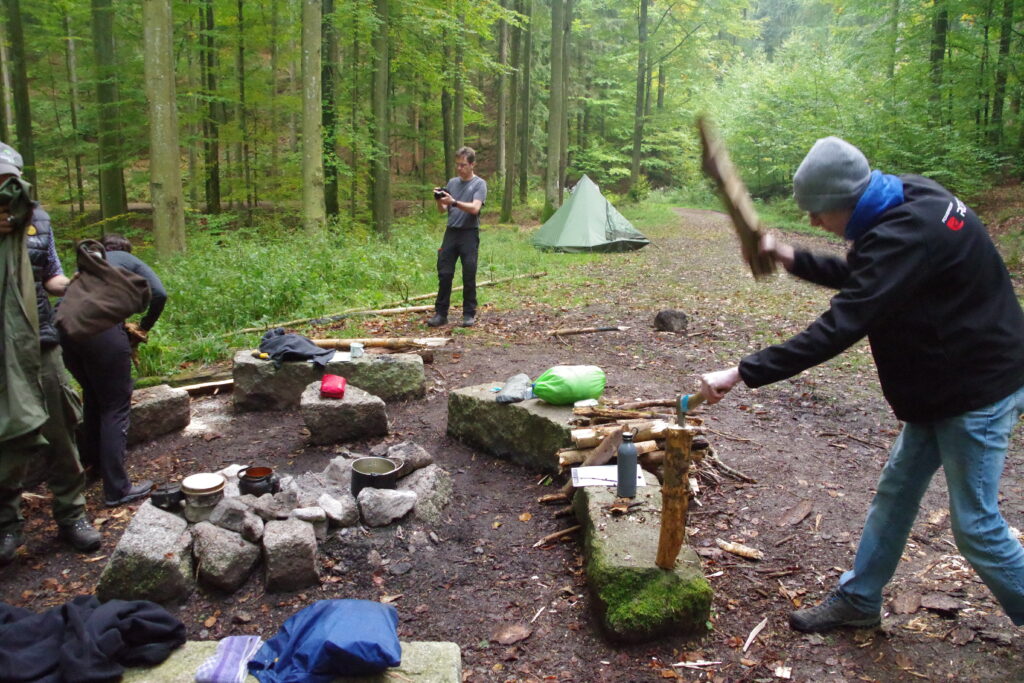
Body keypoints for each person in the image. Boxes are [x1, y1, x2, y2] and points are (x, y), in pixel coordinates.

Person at [699, 136, 1024, 633]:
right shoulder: (910, 195)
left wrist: (741, 371)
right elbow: (869, 272)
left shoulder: (906, 233)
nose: (812, 222)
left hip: (976, 388)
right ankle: (859, 598)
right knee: (896, 491)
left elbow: (842, 324)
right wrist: (790, 256)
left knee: (977, 527)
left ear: (847, 203)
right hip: (942, 382)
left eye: (817, 214)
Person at [0, 141, 101, 565]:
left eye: (8, 179)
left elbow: (51, 279)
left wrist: (87, 278)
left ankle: (72, 515)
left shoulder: (37, 219)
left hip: (41, 341)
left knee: (62, 429)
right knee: (7, 438)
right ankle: (7, 523)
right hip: (3, 349)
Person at [60, 233, 165, 508]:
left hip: (65, 333)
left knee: (94, 396)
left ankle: (93, 464)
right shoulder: (128, 259)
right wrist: (143, 327)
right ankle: (117, 489)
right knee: (115, 405)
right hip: (102, 333)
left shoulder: (88, 265)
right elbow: (160, 293)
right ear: (125, 250)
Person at [427, 146, 487, 328]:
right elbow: (443, 210)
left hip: (469, 233)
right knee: (444, 273)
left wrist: (454, 201)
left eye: (463, 165)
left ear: (472, 164)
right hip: (451, 232)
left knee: (469, 273)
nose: (459, 169)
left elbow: (475, 208)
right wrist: (440, 201)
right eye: (457, 165)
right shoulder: (452, 183)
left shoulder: (479, 184)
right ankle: (441, 313)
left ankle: (469, 314)